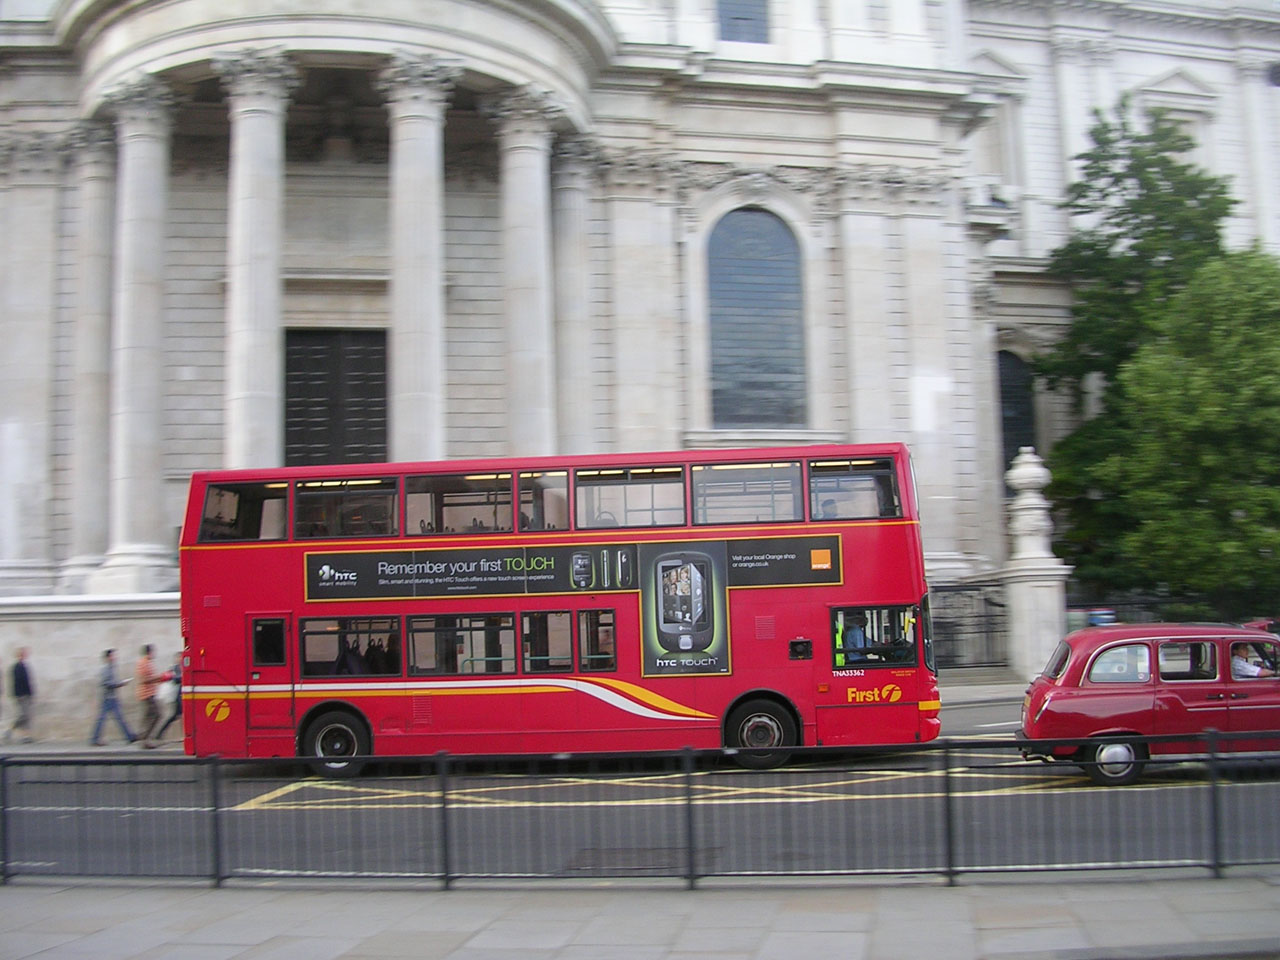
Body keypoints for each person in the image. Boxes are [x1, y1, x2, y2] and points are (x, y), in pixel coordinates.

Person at [91, 648, 136, 746]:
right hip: (108, 698)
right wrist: (119, 684)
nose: (114, 657)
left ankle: (130, 736)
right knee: (103, 719)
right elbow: (105, 683)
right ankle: (95, 738)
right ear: (108, 658)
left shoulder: (111, 668)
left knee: (118, 717)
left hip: (112, 697)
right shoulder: (106, 669)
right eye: (112, 655)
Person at [135, 643, 170, 748]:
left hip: (150, 693)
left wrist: (159, 679)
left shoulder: (148, 663)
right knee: (157, 715)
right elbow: (144, 679)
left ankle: (144, 738)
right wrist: (160, 678)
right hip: (147, 694)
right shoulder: (143, 663)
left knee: (148, 717)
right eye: (153, 652)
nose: (154, 654)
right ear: (149, 652)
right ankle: (144, 739)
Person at [5, 647, 34, 743]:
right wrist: (19, 695)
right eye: (23, 654)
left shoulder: (25, 666)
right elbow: (17, 682)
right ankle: (10, 731)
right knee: (22, 715)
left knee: (26, 716)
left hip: (26, 694)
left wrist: (30, 693)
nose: (25, 656)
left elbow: (28, 682)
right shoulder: (16, 667)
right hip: (20, 695)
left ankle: (25, 736)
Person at [154, 653, 183, 741]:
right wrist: (182, 677)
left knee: (176, 716)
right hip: (178, 695)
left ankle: (160, 734)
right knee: (177, 716)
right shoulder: (174, 668)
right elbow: (173, 679)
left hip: (182, 694)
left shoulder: (183, 667)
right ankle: (160, 734)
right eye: (180, 658)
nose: (180, 659)